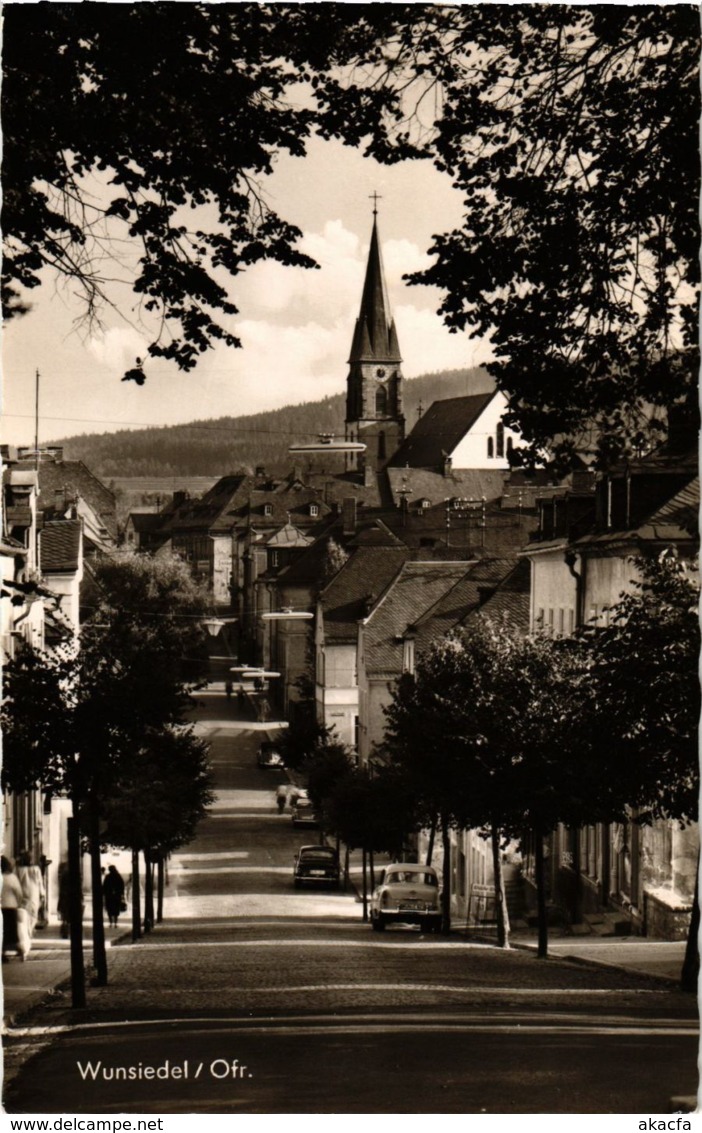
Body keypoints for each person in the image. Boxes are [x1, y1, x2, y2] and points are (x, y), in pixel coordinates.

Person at [16, 852, 45, 939]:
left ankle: (26, 932)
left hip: (22, 894)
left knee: (24, 915)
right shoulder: (36, 869)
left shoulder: (18, 870)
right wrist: (42, 894)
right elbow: (40, 882)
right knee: (33, 915)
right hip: (33, 895)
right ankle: (29, 932)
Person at [2, 856, 26, 961]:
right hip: (11, 907)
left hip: (1, 908)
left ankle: (2, 952)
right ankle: (20, 951)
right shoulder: (12, 878)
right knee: (12, 931)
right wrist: (20, 903)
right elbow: (19, 892)